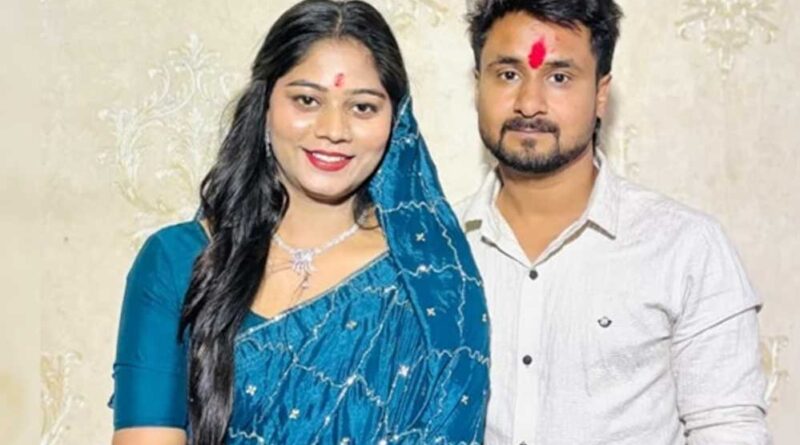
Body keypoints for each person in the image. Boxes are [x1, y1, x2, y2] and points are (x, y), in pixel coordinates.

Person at [110, 1, 489, 444]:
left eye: (362, 107)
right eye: (307, 100)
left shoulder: (433, 282)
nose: (333, 129)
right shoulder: (177, 260)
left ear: (396, 120)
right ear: (265, 105)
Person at [458, 1, 770, 444]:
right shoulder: (437, 250)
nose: (529, 103)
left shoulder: (685, 248)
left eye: (559, 77)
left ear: (601, 93)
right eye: (508, 74)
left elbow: (728, 429)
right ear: (478, 86)